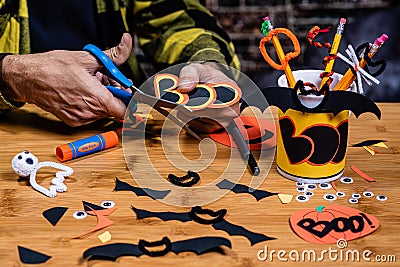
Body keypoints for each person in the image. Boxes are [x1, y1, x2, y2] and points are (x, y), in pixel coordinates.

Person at [0, 0, 241, 133]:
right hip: (16, 131)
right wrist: (14, 75)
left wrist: (205, 61)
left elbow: (174, 17)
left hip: (125, 127)